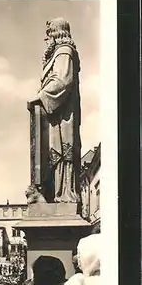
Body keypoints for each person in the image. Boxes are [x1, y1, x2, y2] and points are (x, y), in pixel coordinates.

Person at [29, 18, 81, 203]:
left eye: (49, 33)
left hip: (62, 116)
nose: (47, 38)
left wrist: (42, 95)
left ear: (57, 33)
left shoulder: (64, 52)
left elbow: (62, 81)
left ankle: (64, 194)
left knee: (61, 150)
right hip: (54, 115)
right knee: (53, 152)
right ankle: (55, 192)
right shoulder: (57, 54)